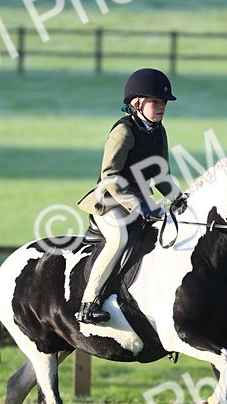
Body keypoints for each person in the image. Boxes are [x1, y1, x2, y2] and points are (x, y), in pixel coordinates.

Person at [75, 68, 185, 324]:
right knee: (118, 239)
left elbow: (161, 175)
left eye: (163, 103)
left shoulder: (159, 131)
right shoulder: (123, 132)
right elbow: (109, 174)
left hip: (141, 201)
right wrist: (137, 205)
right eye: (155, 102)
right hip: (109, 201)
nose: (161, 107)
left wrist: (180, 199)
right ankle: (88, 304)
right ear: (137, 103)